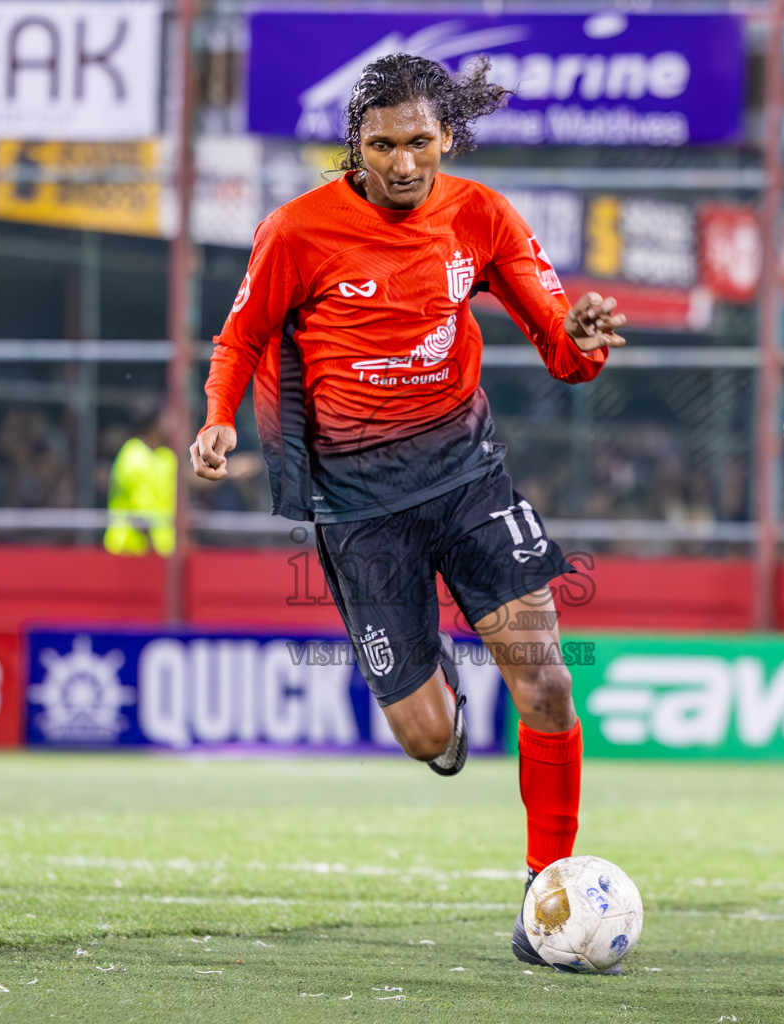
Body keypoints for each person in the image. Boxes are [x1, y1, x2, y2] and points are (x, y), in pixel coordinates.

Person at [190, 54, 624, 967]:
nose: (401, 163)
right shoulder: (296, 231)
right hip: (358, 507)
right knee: (429, 738)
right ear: (356, 144)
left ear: (447, 137)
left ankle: (544, 888)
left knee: (546, 681)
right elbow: (240, 337)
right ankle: (439, 699)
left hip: (468, 477)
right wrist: (219, 416)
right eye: (382, 145)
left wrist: (583, 339)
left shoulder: (482, 216)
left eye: (419, 142)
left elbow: (563, 349)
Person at [104, 409, 177, 556]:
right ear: (153, 426)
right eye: (167, 421)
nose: (173, 426)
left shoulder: (167, 457)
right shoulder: (133, 456)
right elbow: (139, 515)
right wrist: (153, 549)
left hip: (161, 551)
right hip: (130, 549)